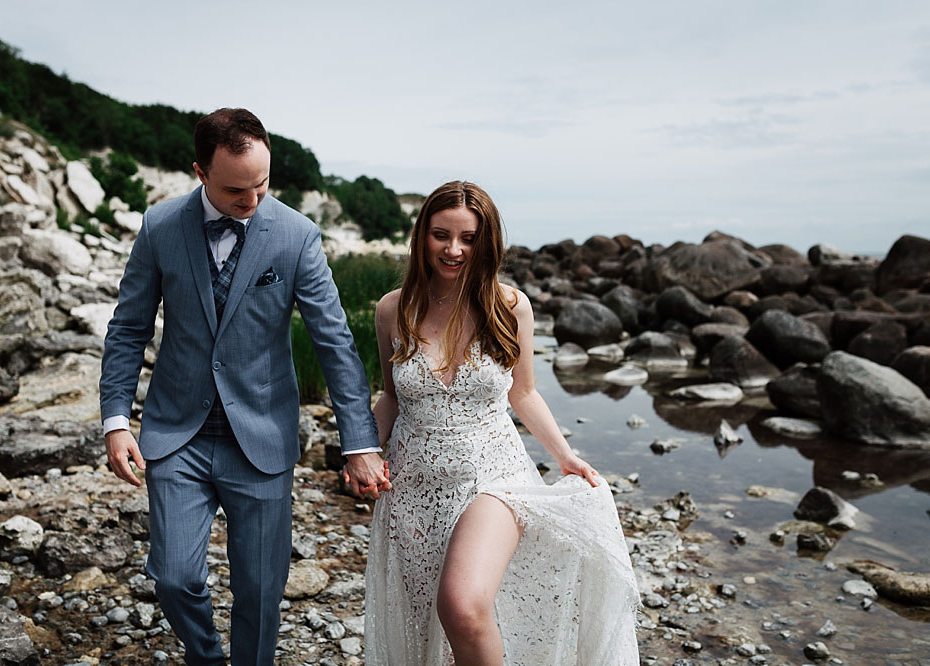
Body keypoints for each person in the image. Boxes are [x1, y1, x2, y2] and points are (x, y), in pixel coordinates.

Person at [98, 107, 390, 666]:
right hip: (176, 432)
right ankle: (206, 657)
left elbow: (334, 343)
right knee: (175, 577)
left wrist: (360, 442)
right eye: (237, 189)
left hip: (262, 436)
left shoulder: (297, 235)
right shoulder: (160, 227)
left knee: (259, 591)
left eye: (263, 184)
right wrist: (116, 419)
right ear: (200, 172)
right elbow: (130, 326)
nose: (253, 200)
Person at [358, 181, 640, 665]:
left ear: (486, 243)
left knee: (463, 607)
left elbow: (523, 392)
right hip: (412, 486)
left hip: (493, 476)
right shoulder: (392, 308)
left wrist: (564, 456)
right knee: (433, 624)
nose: (453, 249)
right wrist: (359, 450)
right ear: (421, 234)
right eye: (440, 235)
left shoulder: (510, 306)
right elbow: (391, 396)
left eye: (467, 238)